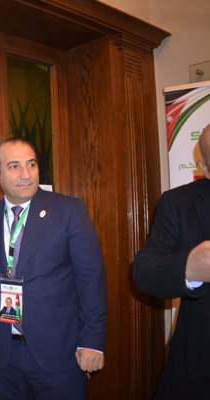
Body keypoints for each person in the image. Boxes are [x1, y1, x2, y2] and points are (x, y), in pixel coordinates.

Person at [0, 138, 107, 400]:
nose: (26, 174)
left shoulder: (68, 211)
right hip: (6, 354)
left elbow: (91, 280)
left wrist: (92, 341)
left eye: (31, 164)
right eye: (14, 166)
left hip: (59, 352)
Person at [133, 123, 210, 399]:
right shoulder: (178, 203)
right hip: (200, 372)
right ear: (205, 167)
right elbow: (144, 271)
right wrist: (189, 268)